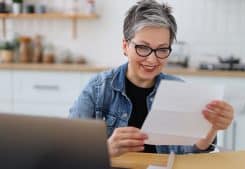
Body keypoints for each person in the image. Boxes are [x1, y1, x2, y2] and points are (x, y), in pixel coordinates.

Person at [69, 0, 234, 157]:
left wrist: (211, 129)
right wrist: (105, 149)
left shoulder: (179, 91)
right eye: (143, 47)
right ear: (125, 46)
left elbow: (190, 151)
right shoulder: (98, 89)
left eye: (162, 50)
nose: (152, 60)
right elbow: (69, 149)